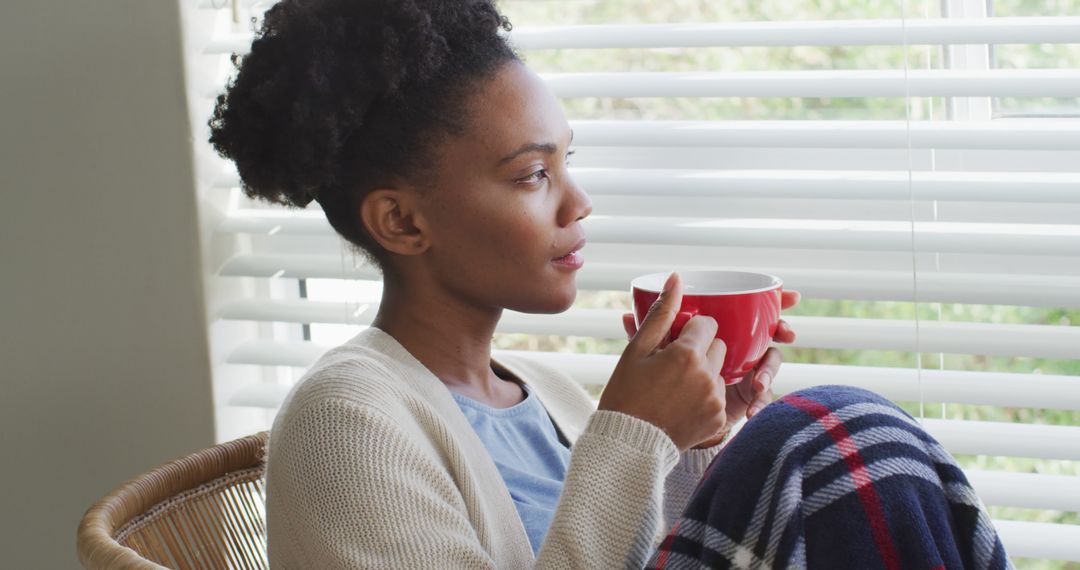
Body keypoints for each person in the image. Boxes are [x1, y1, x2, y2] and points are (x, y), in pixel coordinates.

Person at [208, 0, 1011, 568]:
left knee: (841, 446)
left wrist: (696, 440)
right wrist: (633, 436)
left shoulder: (548, 392)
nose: (578, 202)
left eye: (567, 162)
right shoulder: (344, 420)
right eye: (531, 175)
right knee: (832, 432)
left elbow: (649, 552)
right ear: (402, 223)